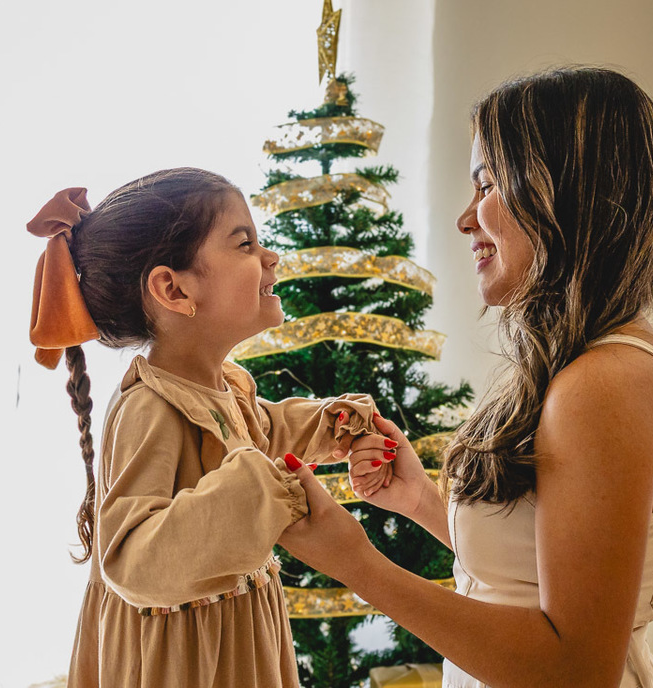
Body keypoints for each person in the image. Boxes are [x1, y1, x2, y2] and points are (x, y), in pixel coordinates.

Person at [277, 66, 653, 688]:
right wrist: (419, 500)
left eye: (488, 183)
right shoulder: (586, 368)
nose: (465, 219)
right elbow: (530, 580)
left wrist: (356, 564)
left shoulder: (605, 384)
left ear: (567, 192)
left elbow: (574, 668)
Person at [25, 167, 397, 688]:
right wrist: (255, 492)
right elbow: (131, 559)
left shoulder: (225, 387)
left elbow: (264, 429)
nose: (271, 258)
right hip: (185, 664)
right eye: (245, 244)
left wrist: (335, 425)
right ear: (172, 289)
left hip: (239, 641)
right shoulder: (148, 408)